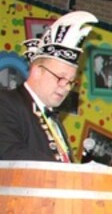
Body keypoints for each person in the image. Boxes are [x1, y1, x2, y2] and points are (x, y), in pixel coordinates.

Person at [0, 11, 98, 162]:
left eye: (70, 81)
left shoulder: (53, 120)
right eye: (60, 78)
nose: (66, 87)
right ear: (37, 71)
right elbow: (9, 152)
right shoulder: (6, 102)